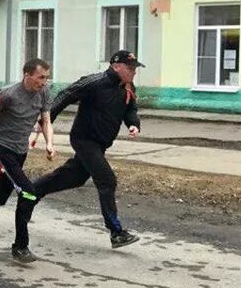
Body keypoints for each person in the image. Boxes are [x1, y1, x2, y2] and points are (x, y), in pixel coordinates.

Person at [15, 50, 144, 259]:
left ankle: (30, 194)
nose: (133, 72)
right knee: (107, 180)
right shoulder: (95, 82)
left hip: (100, 144)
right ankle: (116, 232)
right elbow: (66, 95)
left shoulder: (127, 87)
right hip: (84, 139)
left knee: (73, 177)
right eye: (130, 68)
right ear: (116, 66)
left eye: (135, 69)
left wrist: (133, 125)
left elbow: (130, 110)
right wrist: (47, 121)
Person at [0, 58, 55, 264]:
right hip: (1, 148)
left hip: (20, 150)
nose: (43, 82)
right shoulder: (8, 95)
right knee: (28, 192)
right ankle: (20, 246)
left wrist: (49, 143)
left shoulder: (43, 93)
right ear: (27, 75)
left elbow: (46, 120)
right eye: (40, 77)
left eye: (46, 78)